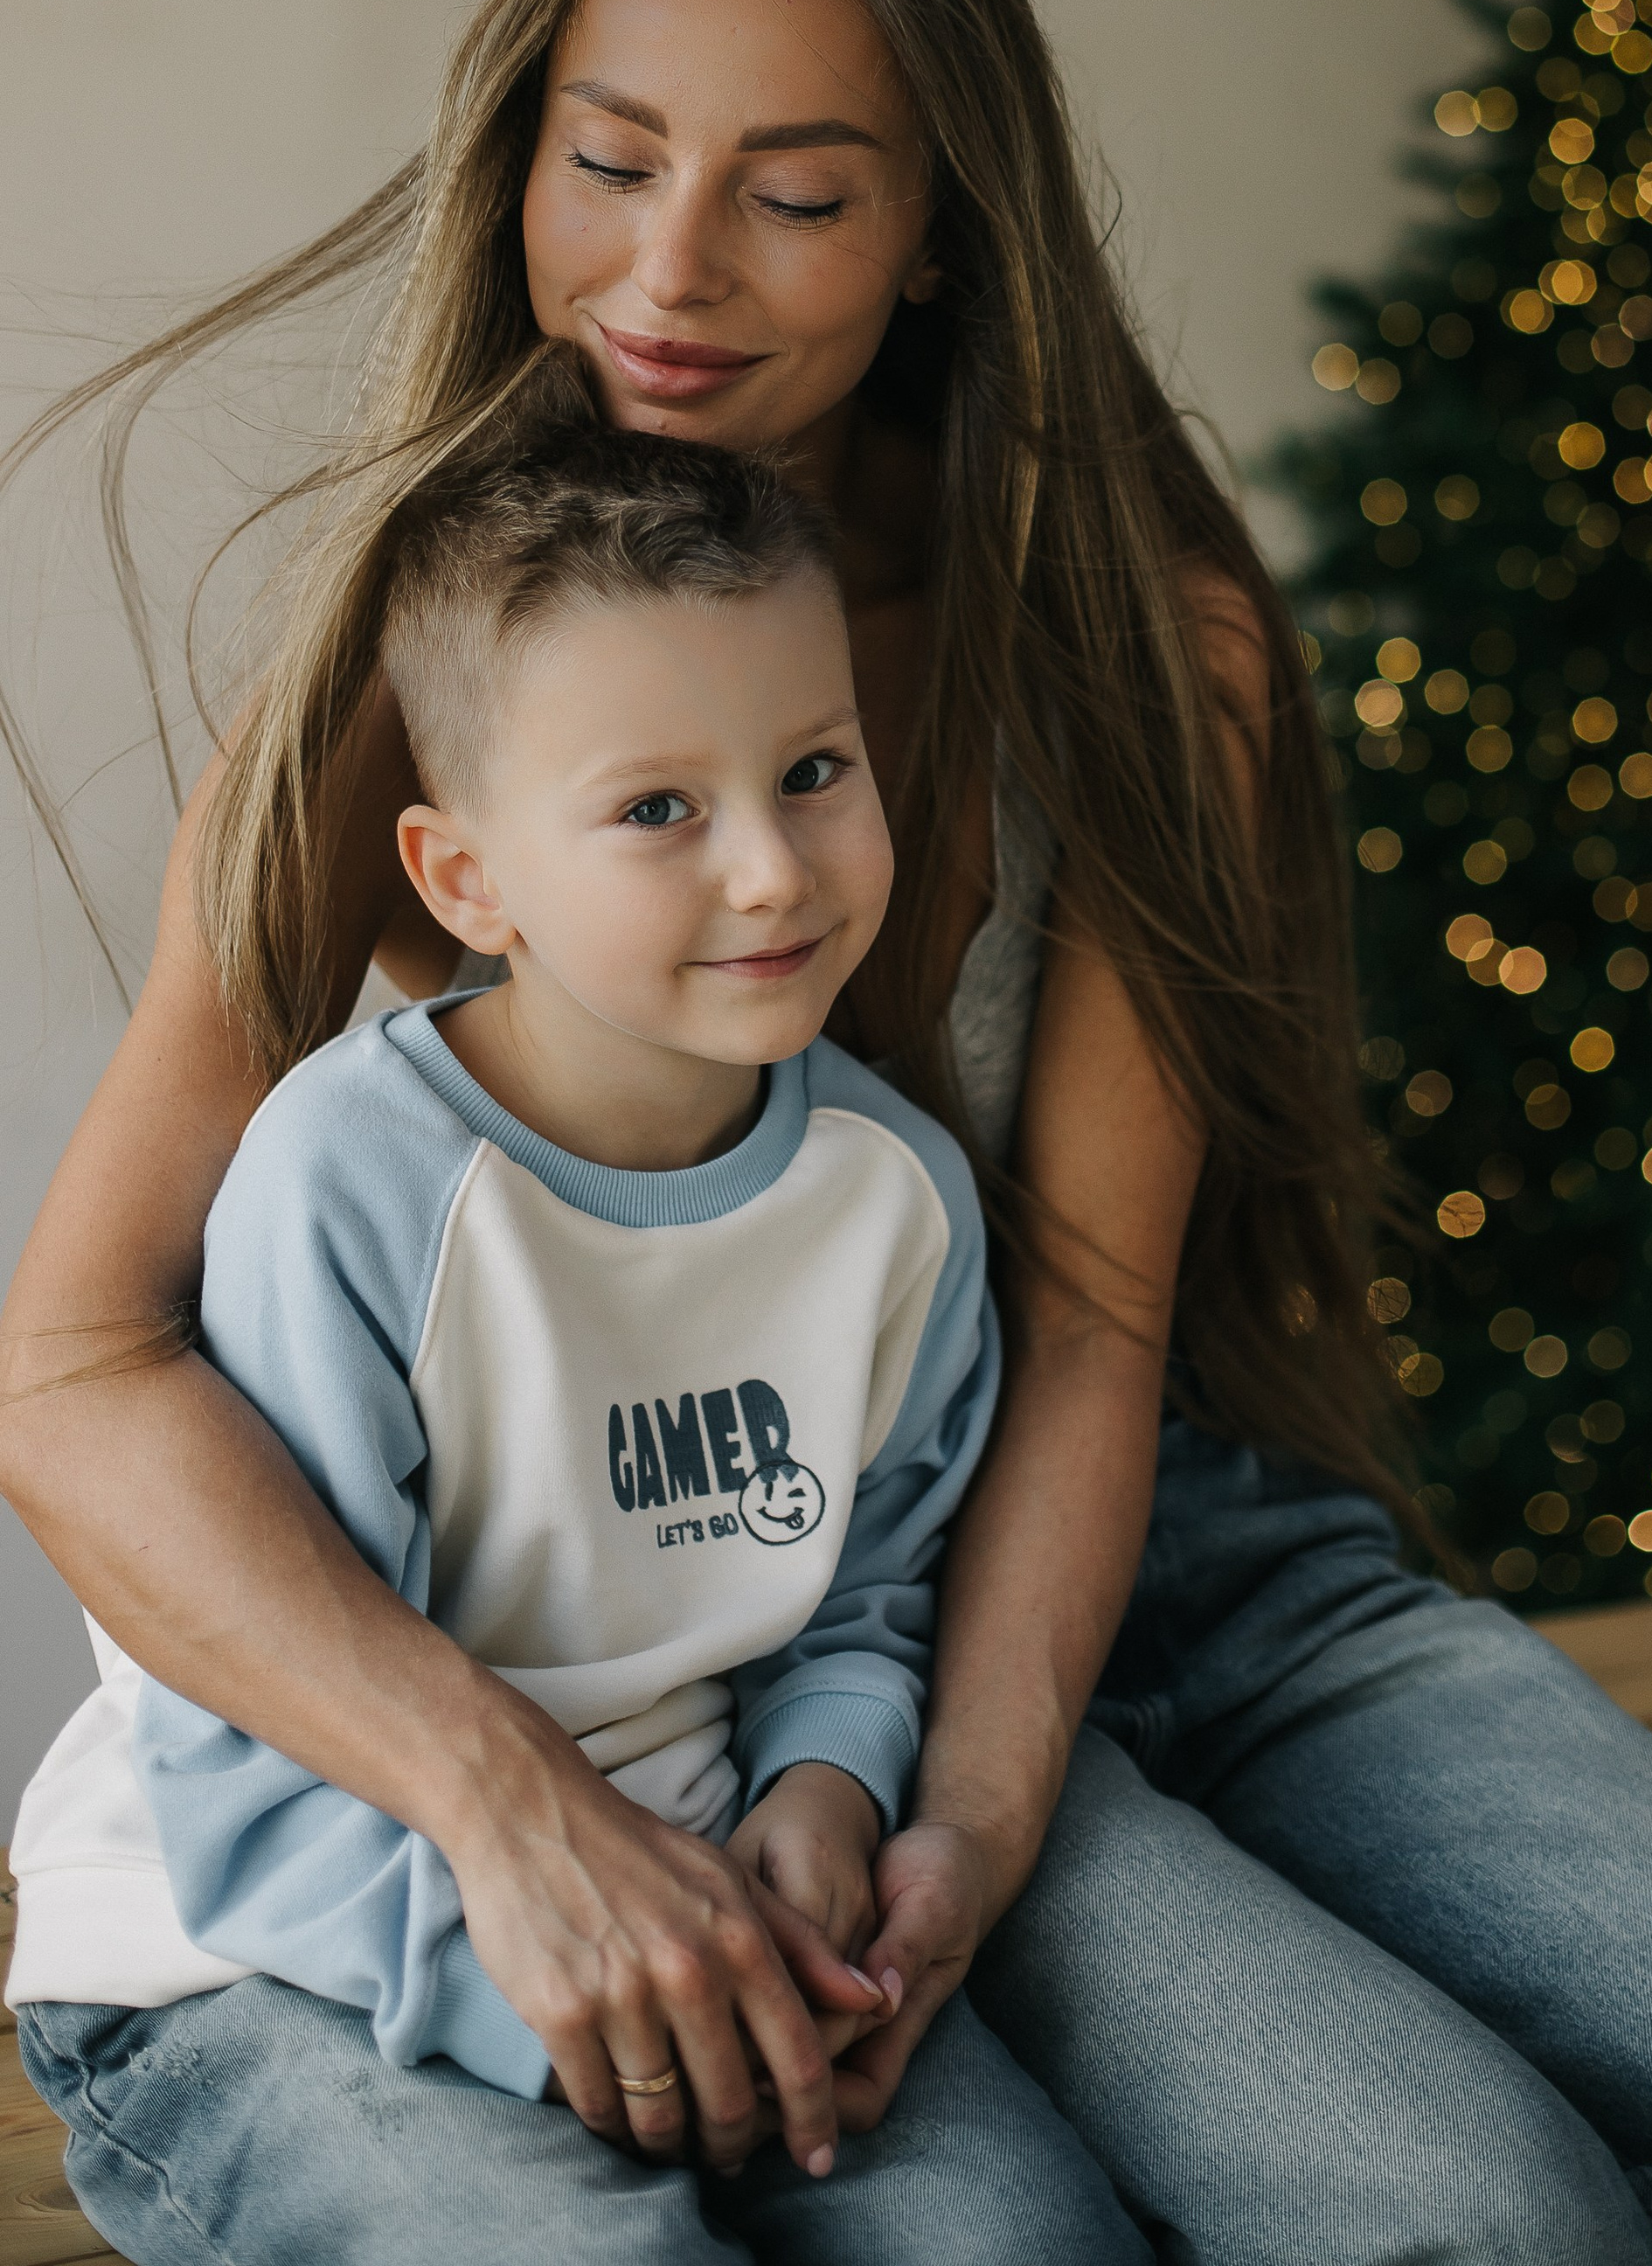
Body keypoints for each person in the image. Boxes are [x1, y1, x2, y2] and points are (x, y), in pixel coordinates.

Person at [0, 0, 1652, 2263]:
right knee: (1476, 2211)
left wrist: (969, 1804)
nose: (667, 270)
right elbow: (75, 1357)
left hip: (1139, 1547)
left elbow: (1078, 1317)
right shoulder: (416, 673)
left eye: (801, 192)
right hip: (704, 1617)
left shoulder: (1145, 631)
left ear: (945, 232)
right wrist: (519, 1796)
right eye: (609, 159)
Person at [10, 412, 1004, 2260]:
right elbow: (245, 1727)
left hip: (705, 1910)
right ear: (464, 879)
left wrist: (823, 1782)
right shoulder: (350, 1181)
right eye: (657, 808)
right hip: (254, 1940)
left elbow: (863, 1593)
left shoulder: (897, 1200)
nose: (775, 872)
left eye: (812, 769)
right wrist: (554, 2020)